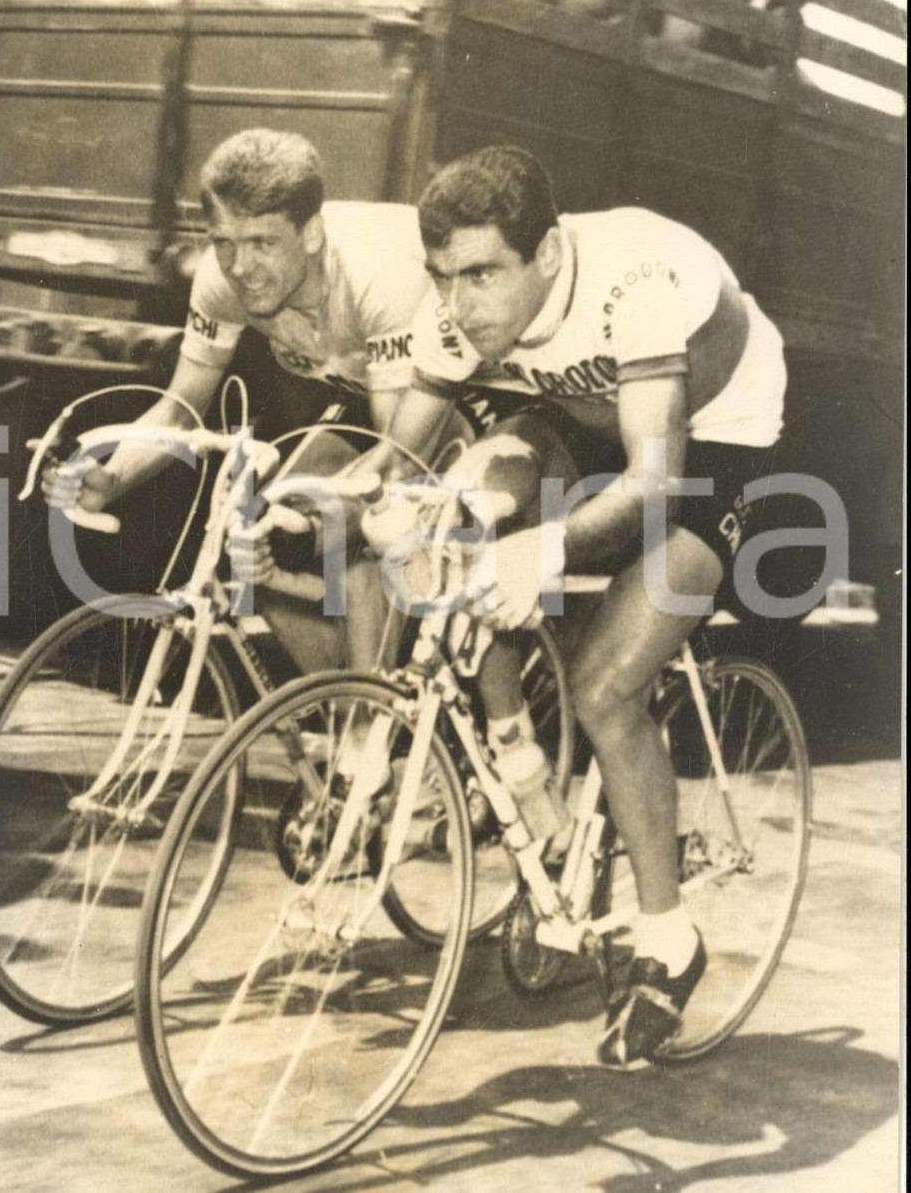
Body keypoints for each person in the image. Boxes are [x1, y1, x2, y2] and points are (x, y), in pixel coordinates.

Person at [363, 144, 787, 1069]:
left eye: (481, 274)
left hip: (704, 442)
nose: (459, 303)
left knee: (604, 687)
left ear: (546, 255)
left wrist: (545, 550)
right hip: (581, 420)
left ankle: (668, 937)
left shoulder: (633, 282)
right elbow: (393, 459)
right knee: (463, 506)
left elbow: (654, 480)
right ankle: (523, 773)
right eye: (442, 278)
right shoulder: (459, 313)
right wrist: (330, 494)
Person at [42, 127, 476, 672]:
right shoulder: (224, 279)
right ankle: (345, 714)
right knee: (258, 542)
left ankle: (370, 727)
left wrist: (323, 525)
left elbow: (394, 463)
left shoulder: (378, 276)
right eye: (223, 242)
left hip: (453, 395)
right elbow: (182, 406)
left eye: (262, 244)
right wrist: (112, 477)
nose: (240, 267)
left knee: (361, 531)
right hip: (361, 389)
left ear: (312, 233)